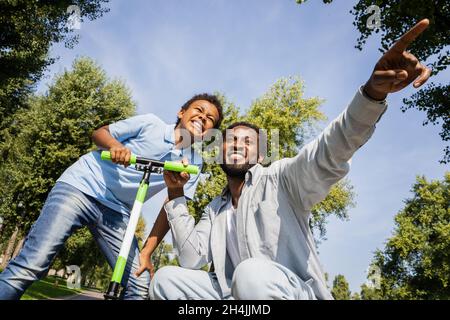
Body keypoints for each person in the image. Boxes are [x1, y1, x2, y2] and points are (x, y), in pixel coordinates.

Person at [148, 19, 432, 300]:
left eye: (247, 142)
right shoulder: (215, 209)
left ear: (260, 155)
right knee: (166, 279)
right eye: (230, 140)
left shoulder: (281, 179)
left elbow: (330, 150)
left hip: (290, 292)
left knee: (251, 275)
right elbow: (189, 258)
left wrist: (371, 94)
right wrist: (175, 194)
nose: (236, 145)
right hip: (235, 297)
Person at [0, 94, 223, 300]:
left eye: (210, 118)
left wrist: (146, 253)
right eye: (198, 110)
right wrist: (116, 146)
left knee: (140, 282)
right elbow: (99, 133)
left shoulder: (194, 163)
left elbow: (171, 207)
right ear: (181, 112)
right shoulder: (150, 123)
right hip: (83, 186)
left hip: (117, 211)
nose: (203, 117)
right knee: (33, 263)